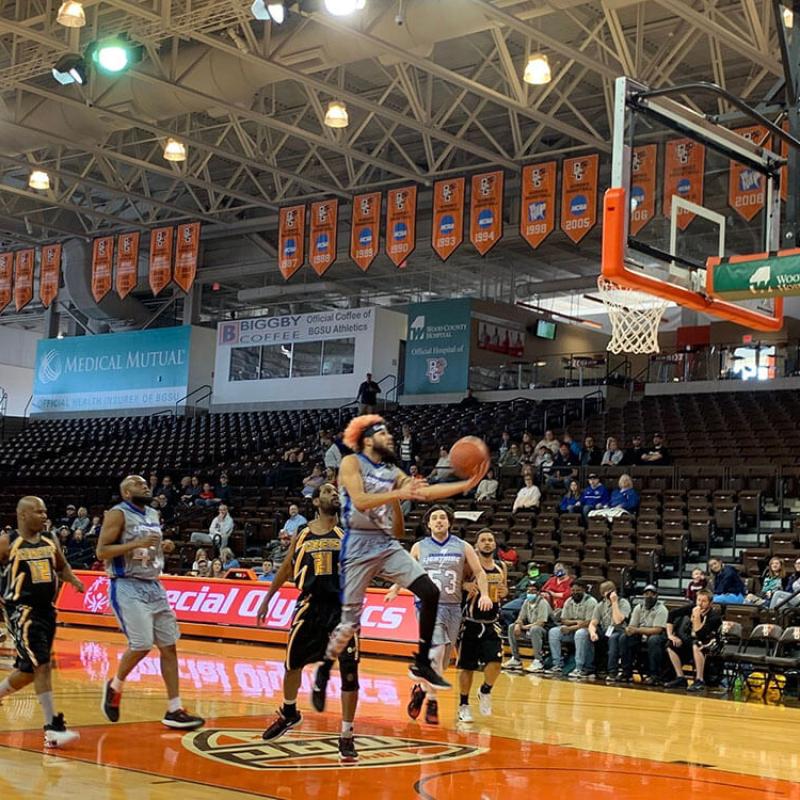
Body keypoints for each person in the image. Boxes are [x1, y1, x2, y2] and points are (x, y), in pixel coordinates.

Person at [313, 414, 487, 710]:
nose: (390, 437)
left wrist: (464, 484)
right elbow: (360, 501)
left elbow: (425, 492)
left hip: (385, 544)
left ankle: (421, 661)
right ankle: (322, 670)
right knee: (348, 625)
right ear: (368, 440)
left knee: (430, 591)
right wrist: (397, 493)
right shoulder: (351, 463)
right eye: (383, 433)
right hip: (357, 547)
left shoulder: (392, 469)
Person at [256, 484, 361, 761]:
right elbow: (287, 566)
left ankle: (347, 735)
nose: (334, 494)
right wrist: (268, 598)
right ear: (315, 501)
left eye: (336, 491)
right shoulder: (302, 533)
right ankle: (289, 713)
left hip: (342, 608)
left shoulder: (349, 531)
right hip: (310, 604)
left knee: (350, 672)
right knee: (292, 664)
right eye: (327, 491)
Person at [96, 475, 204, 730]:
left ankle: (174, 709)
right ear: (125, 493)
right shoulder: (117, 514)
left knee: (169, 647)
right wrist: (137, 543)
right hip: (127, 584)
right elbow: (101, 552)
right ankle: (115, 686)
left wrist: (164, 547)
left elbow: (149, 548)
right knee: (142, 644)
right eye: (138, 484)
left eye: (146, 484)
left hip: (154, 584)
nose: (145, 486)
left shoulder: (153, 514)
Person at [385, 505, 490, 726]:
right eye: (435, 518)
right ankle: (432, 700)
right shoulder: (419, 547)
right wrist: (395, 589)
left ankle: (420, 689)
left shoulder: (463, 547)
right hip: (427, 606)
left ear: (450, 522)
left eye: (443, 517)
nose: (439, 520)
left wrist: (485, 594)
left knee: (442, 661)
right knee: (438, 647)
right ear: (429, 524)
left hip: (453, 607)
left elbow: (480, 572)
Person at [0, 496, 85, 748]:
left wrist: (74, 580)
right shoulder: (8, 542)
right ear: (23, 515)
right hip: (22, 612)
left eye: (45, 511)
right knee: (43, 666)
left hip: (47, 611)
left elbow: (62, 565)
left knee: (29, 671)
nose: (44, 516)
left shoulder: (50, 539)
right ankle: (52, 728)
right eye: (38, 512)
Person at [457, 530, 507, 722]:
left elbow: (504, 590)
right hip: (470, 623)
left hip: (491, 622)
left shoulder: (501, 566)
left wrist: (503, 592)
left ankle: (485, 690)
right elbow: (457, 584)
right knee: (467, 667)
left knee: (496, 664)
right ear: (476, 545)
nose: (487, 543)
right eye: (483, 540)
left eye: (490, 540)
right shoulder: (469, 566)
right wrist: (464, 586)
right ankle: (463, 705)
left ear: (495, 544)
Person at [665, 589, 722, 692]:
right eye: (698, 600)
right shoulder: (692, 607)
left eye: (704, 601)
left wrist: (696, 617)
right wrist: (670, 635)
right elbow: (672, 614)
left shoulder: (714, 616)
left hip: (710, 643)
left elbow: (700, 634)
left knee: (697, 644)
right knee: (670, 645)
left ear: (710, 603)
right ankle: (680, 677)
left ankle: (699, 680)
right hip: (691, 641)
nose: (700, 603)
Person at [546, 580, 597, 677]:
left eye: (578, 590)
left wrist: (571, 627)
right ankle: (557, 664)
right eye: (573, 590)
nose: (575, 593)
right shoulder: (569, 601)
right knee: (553, 632)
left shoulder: (591, 602)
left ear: (584, 590)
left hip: (587, 631)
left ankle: (579, 667)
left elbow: (588, 622)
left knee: (580, 633)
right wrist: (575, 622)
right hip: (572, 629)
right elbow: (564, 620)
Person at [619, 584, 668, 684]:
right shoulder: (638, 607)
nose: (649, 596)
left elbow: (657, 630)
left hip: (658, 637)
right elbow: (632, 626)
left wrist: (637, 630)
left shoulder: (662, 609)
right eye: (646, 594)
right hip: (641, 635)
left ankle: (654, 675)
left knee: (653, 639)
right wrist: (629, 630)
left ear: (657, 596)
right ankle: (626, 672)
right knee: (624, 638)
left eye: (652, 594)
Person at [503, 581, 552, 673]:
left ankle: (538, 660)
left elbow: (541, 622)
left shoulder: (543, 603)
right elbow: (520, 617)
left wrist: (525, 627)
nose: (530, 593)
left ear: (538, 593)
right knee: (511, 627)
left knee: (535, 629)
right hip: (530, 627)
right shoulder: (526, 602)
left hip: (545, 630)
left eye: (533, 591)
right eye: (528, 591)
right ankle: (516, 659)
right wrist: (518, 625)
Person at [588, 580, 631, 681]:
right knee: (591, 636)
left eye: (611, 590)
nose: (609, 593)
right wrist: (592, 632)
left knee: (613, 638)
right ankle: (593, 668)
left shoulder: (623, 603)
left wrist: (614, 602)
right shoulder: (600, 605)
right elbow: (593, 623)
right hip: (606, 630)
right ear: (602, 594)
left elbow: (618, 621)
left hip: (620, 631)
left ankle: (612, 671)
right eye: (605, 591)